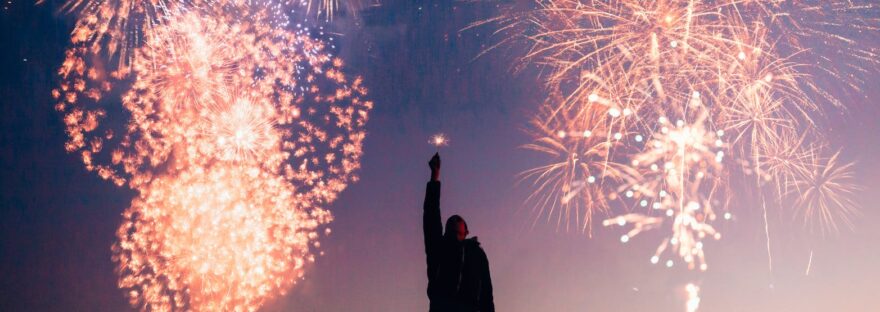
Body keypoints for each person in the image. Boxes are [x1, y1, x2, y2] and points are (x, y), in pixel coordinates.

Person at [423, 153, 494, 312]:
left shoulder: (477, 253)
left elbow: (487, 292)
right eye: (451, 220)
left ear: (466, 230)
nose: (454, 219)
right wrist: (434, 177)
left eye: (458, 219)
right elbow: (431, 216)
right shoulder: (438, 247)